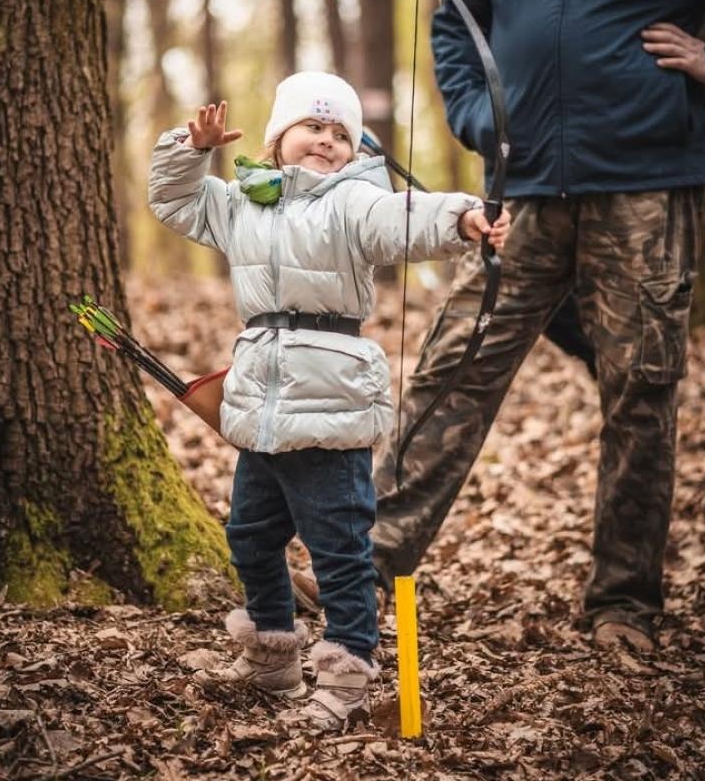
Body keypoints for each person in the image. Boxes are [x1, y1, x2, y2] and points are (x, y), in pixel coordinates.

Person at [292, 0, 705, 655]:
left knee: (640, 392)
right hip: (520, 188)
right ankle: (363, 563)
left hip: (644, 186)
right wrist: (471, 114)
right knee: (453, 366)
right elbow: (456, 24)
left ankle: (623, 606)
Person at [148, 72, 510, 731]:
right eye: (312, 126)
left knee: (340, 550)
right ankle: (272, 657)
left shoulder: (354, 200)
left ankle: (346, 675)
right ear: (277, 136)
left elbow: (403, 219)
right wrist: (190, 148)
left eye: (340, 133)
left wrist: (463, 217)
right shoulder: (243, 202)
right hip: (261, 403)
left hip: (330, 398)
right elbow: (174, 199)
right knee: (249, 535)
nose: (326, 140)